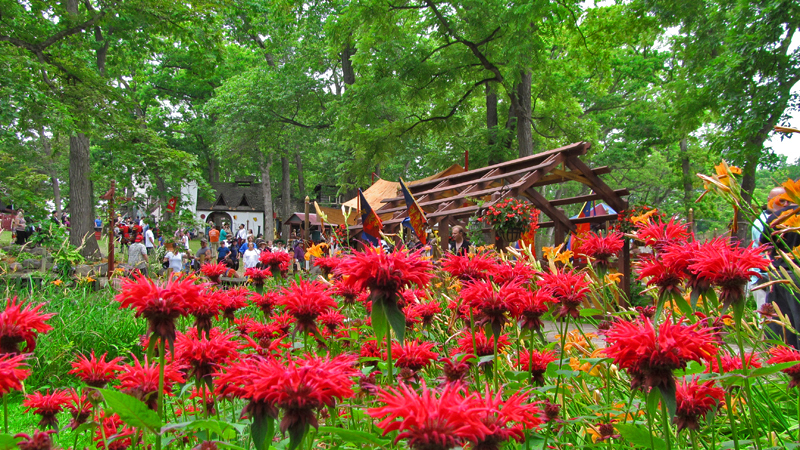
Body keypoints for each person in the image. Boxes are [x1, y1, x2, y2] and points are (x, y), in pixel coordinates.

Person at [761, 188, 800, 348]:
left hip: (778, 275)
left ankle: (779, 357)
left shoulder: (776, 216)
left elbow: (763, 245)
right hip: (796, 274)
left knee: (780, 325)